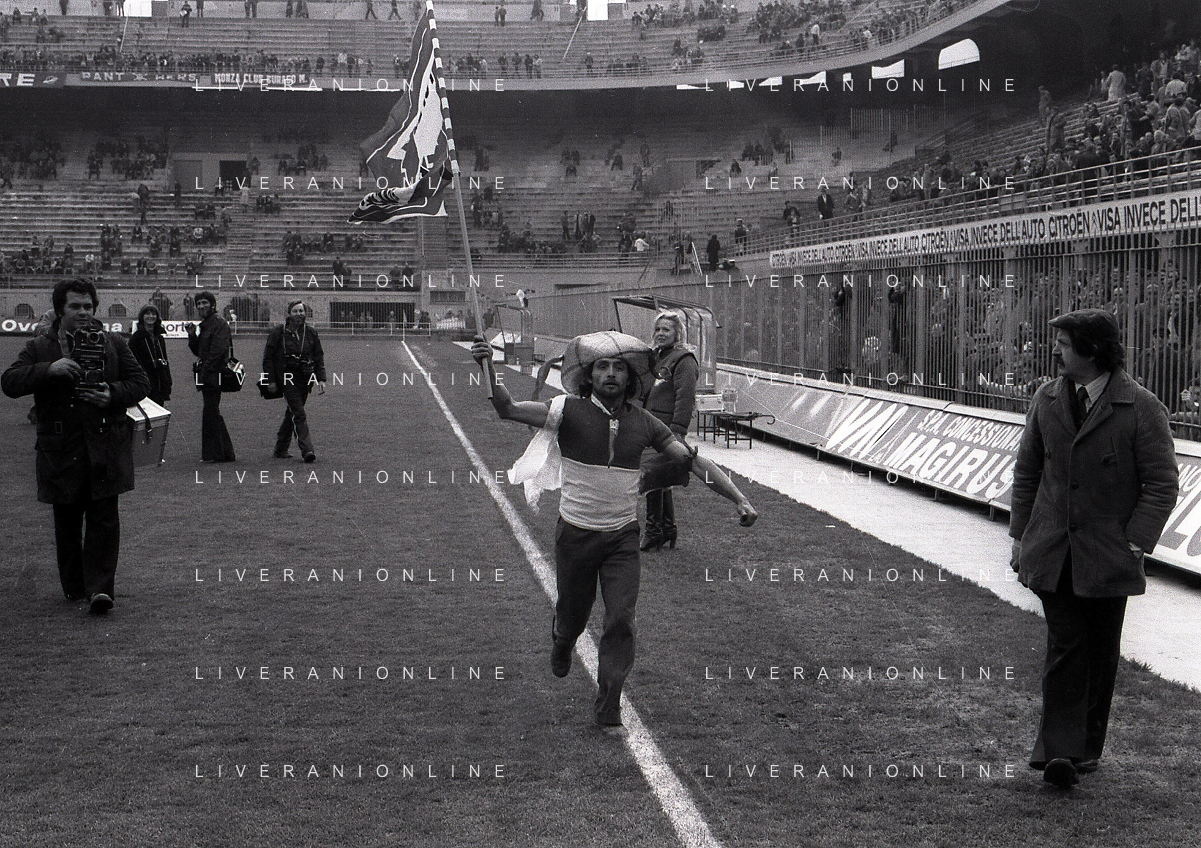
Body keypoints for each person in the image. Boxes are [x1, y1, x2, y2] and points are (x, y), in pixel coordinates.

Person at [470, 331, 756, 731]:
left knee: (621, 619)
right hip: (575, 536)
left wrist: (739, 498)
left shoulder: (646, 423)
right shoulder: (565, 409)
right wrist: (487, 366)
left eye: (618, 368)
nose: (609, 373)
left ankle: (609, 706)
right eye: (601, 366)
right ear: (589, 376)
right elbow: (509, 409)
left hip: (622, 539)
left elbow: (692, 462)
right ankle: (563, 640)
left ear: (630, 378)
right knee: (573, 615)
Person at [1009, 308, 1178, 788]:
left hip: (1108, 555)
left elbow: (1162, 484)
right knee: (1068, 641)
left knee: (1101, 650)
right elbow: (1027, 472)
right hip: (1052, 548)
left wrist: (1135, 541)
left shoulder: (1142, 408)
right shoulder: (1046, 399)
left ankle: (1085, 750)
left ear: (1094, 349)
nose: (1055, 352)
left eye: (1064, 344)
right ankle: (1059, 752)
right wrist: (1020, 535)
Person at [2, 278, 150, 614]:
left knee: (104, 520)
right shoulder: (41, 347)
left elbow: (141, 383)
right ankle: (74, 587)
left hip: (105, 445)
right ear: (59, 310)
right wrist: (48, 370)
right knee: (67, 523)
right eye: (75, 306)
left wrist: (112, 393)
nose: (83, 312)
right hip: (60, 449)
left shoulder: (113, 343)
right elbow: (9, 382)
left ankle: (100, 590)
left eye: (88, 306)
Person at [640, 311, 698, 551]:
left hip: (667, 429)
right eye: (657, 329)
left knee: (652, 474)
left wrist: (678, 431)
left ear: (678, 333)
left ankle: (654, 531)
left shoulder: (684, 359)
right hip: (651, 426)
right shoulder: (656, 357)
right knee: (660, 475)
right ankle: (666, 528)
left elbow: (685, 397)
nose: (660, 334)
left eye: (666, 329)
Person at [262, 300, 326, 463]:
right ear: (289, 314)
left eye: (301, 311)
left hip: (305, 378)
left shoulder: (311, 332)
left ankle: (280, 448)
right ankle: (307, 450)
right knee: (298, 413)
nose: (299, 314)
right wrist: (270, 380)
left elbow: (318, 356)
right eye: (295, 311)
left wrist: (321, 378)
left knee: (292, 412)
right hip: (286, 377)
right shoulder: (279, 332)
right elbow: (268, 358)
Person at [187, 291, 236, 462]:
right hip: (208, 372)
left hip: (214, 373)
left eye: (204, 303)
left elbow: (218, 351)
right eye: (199, 303)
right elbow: (199, 351)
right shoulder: (206, 325)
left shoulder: (219, 323)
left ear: (212, 305)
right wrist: (192, 335)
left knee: (210, 412)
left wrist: (205, 372)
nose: (201, 306)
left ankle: (215, 454)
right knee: (212, 411)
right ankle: (225, 453)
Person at [130, 304, 172, 405]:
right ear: (142, 317)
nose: (151, 316)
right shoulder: (136, 338)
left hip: (160, 384)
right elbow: (132, 361)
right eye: (147, 314)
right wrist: (151, 364)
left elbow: (165, 360)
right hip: (144, 383)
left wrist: (168, 380)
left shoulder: (160, 338)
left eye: (153, 314)